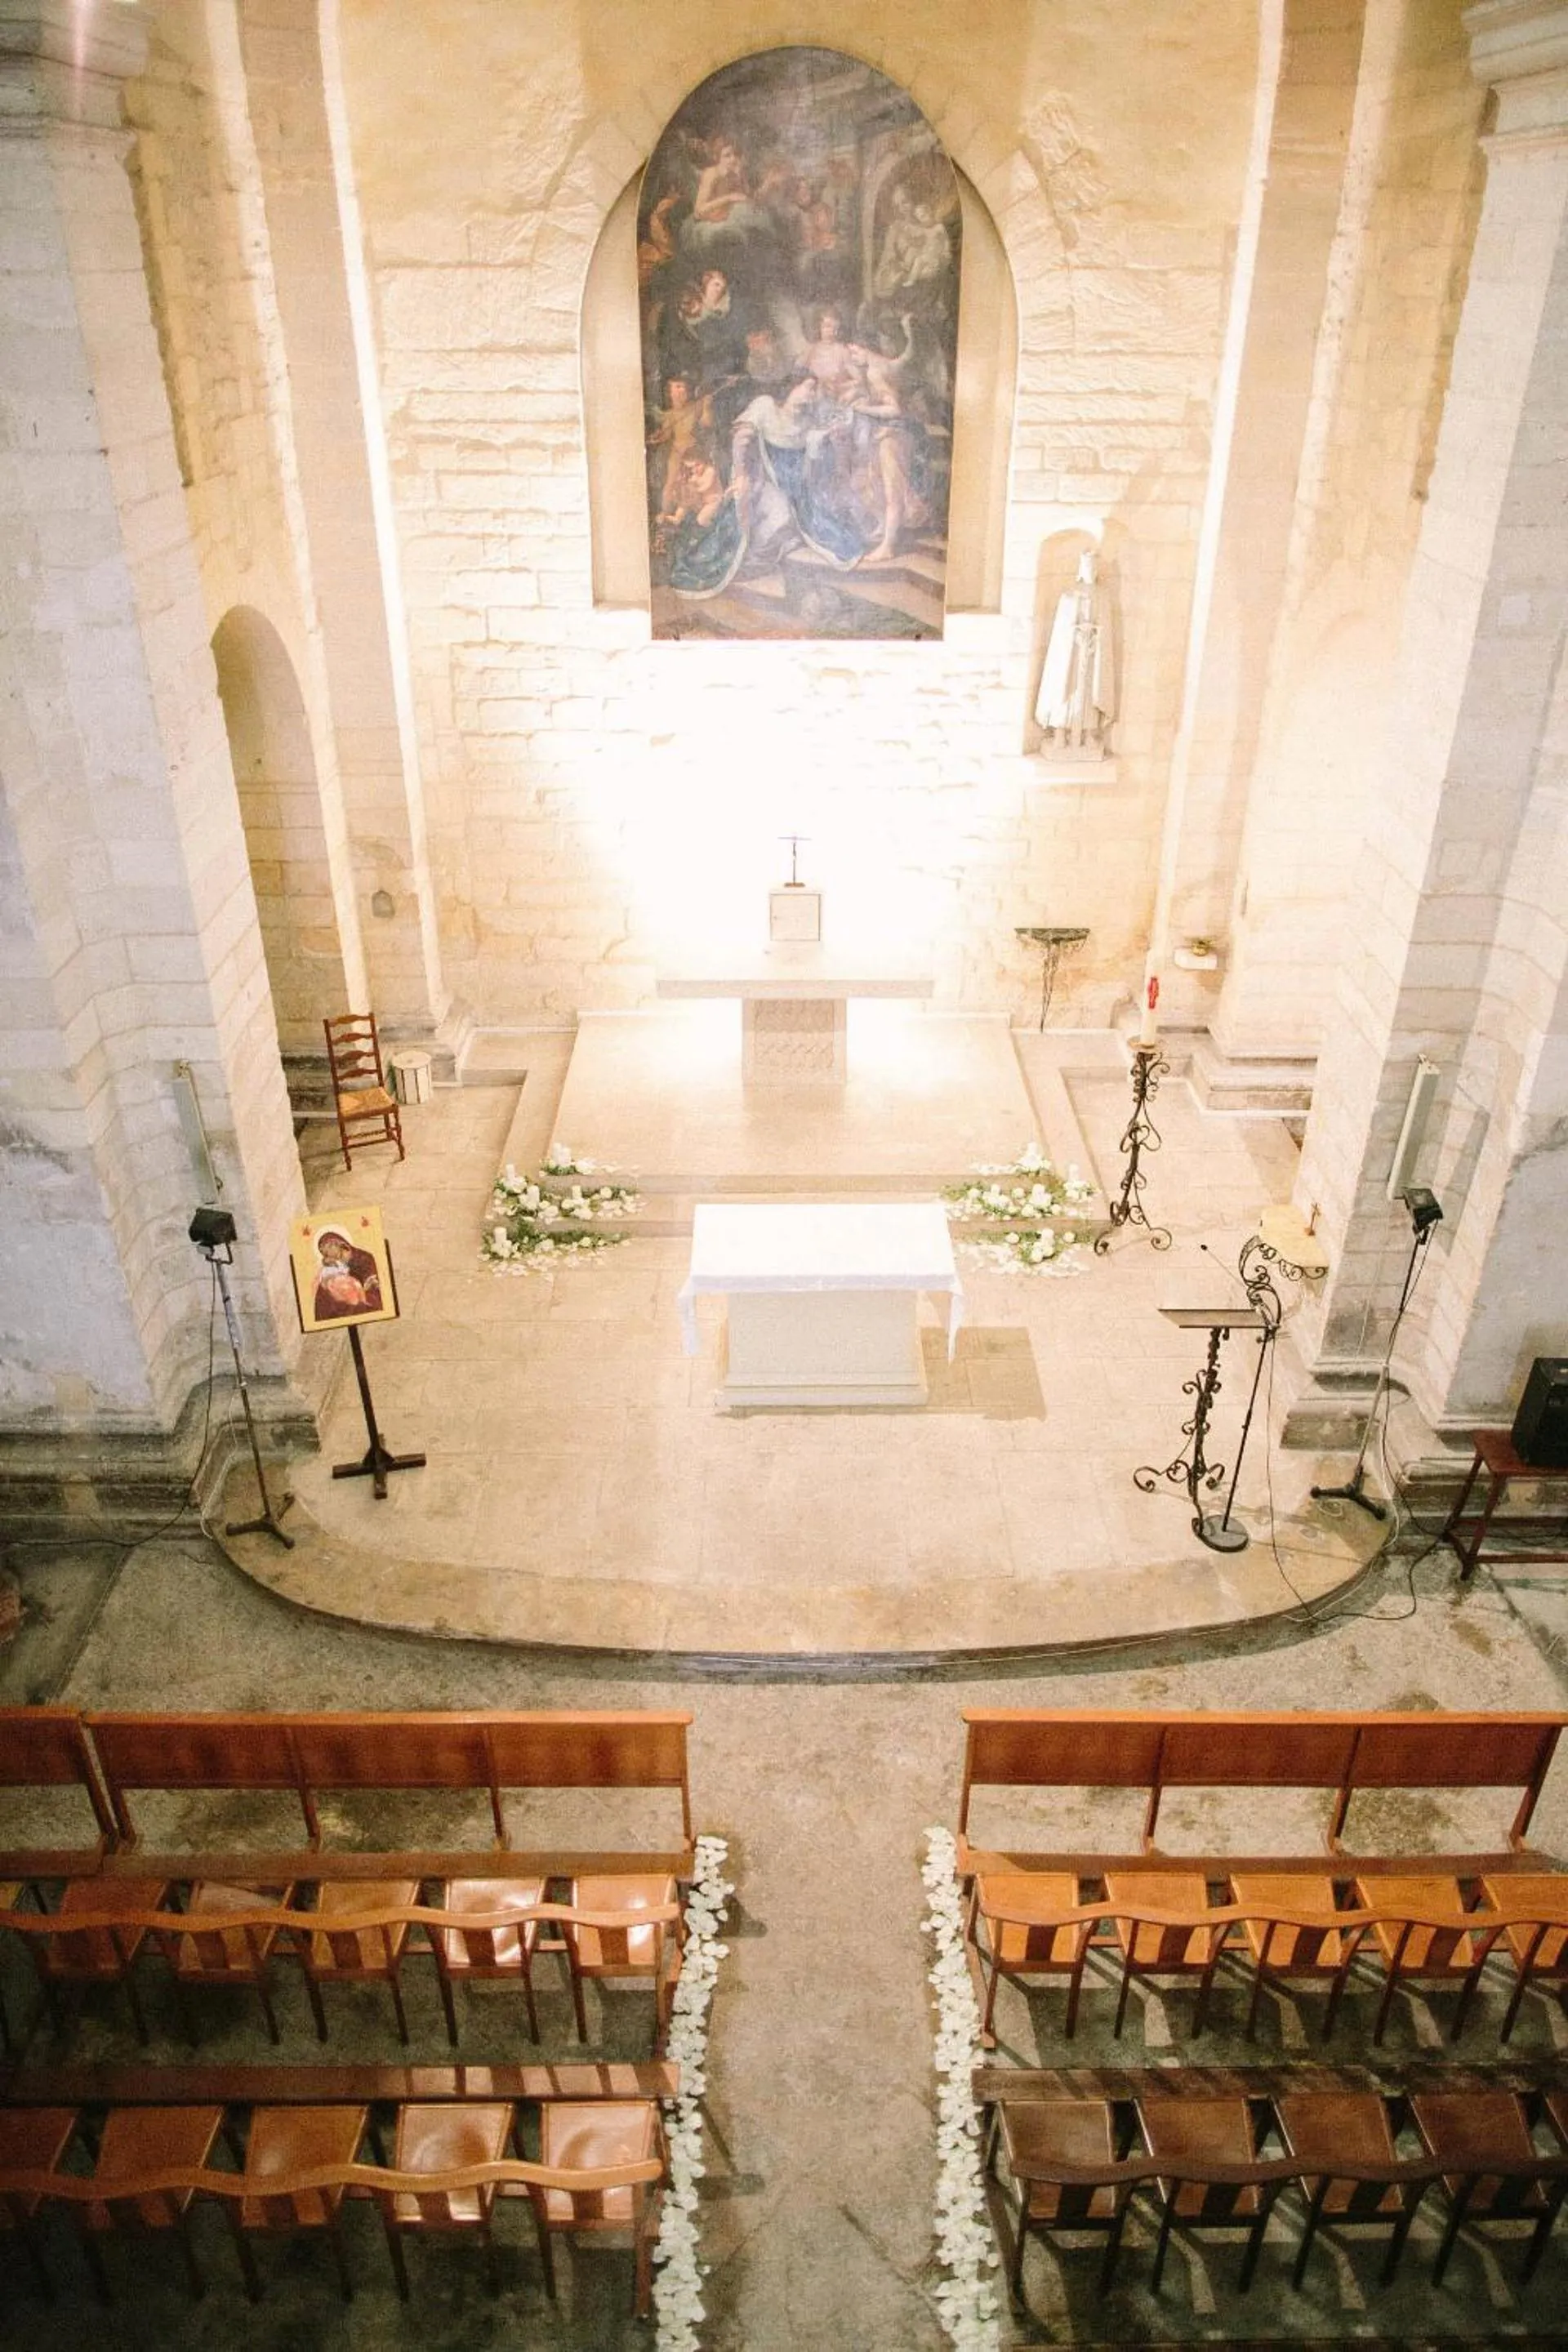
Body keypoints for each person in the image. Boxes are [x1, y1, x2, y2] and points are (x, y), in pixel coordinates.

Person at [312, 1229, 382, 1322]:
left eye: (328, 1248)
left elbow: (374, 1287)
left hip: (364, 1298)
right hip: (347, 1297)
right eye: (323, 1252)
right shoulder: (330, 1267)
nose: (326, 1254)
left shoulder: (363, 1258)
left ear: (338, 1244)